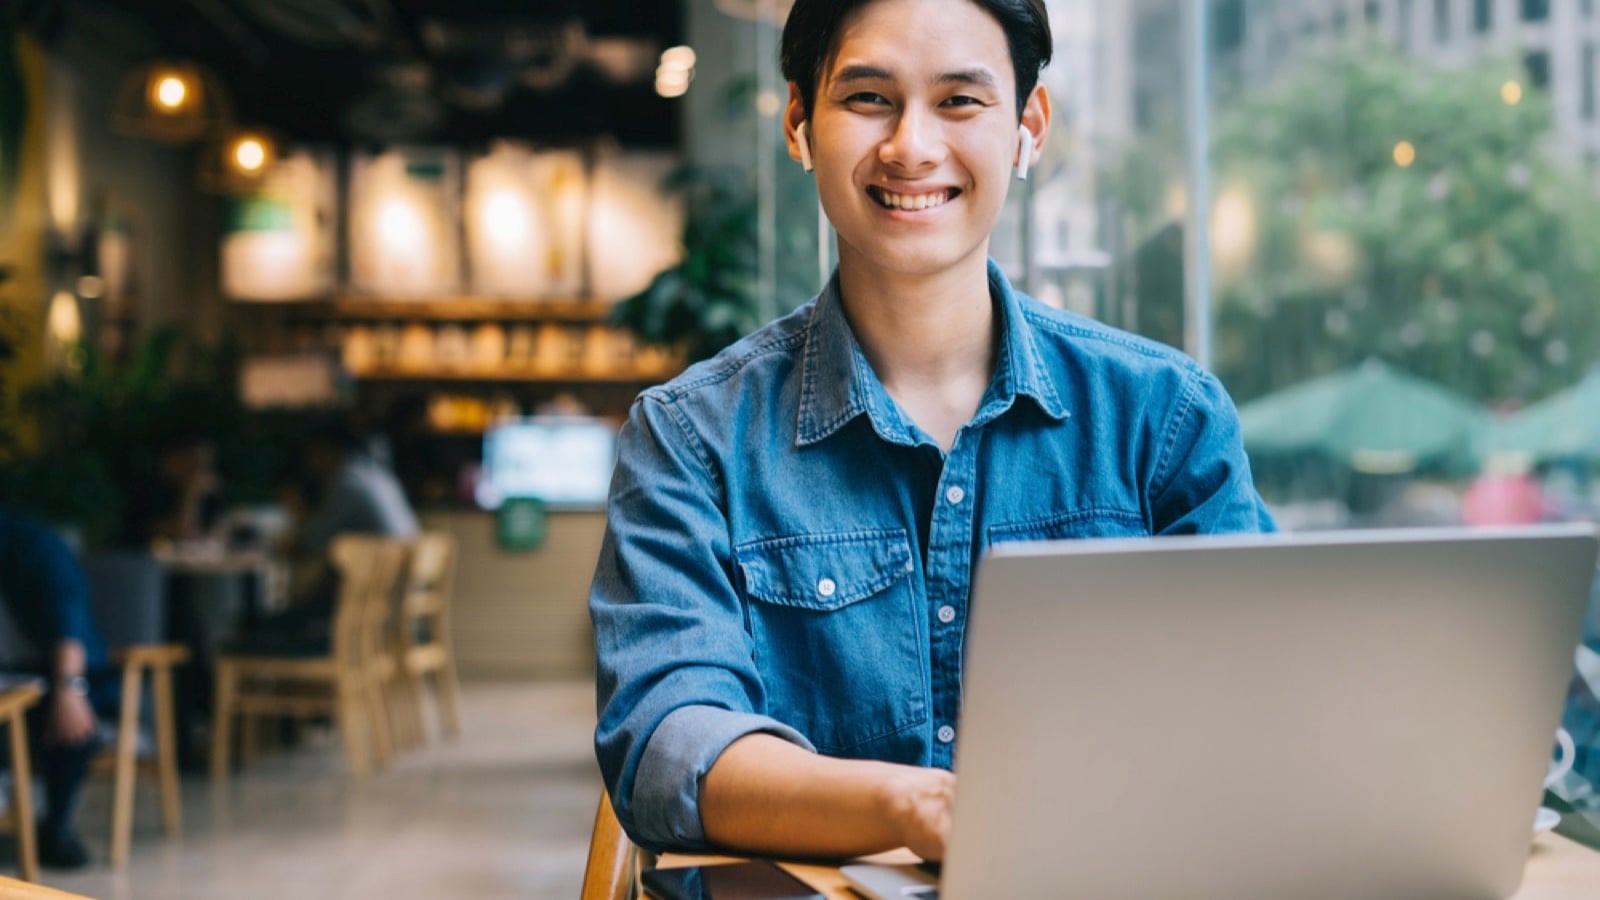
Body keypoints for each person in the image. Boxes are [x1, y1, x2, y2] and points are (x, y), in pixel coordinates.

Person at [590, 0, 1275, 863]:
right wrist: (914, 806)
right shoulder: (691, 439)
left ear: (1028, 127)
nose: (911, 146)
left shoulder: (1165, 419)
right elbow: (667, 745)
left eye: (959, 101)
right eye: (868, 99)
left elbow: (1269, 701)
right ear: (799, 122)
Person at [0, 508, 116, 869]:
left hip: (73, 673)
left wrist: (69, 689)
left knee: (72, 715)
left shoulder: (37, 547)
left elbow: (69, 633)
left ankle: (56, 827)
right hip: (12, 673)